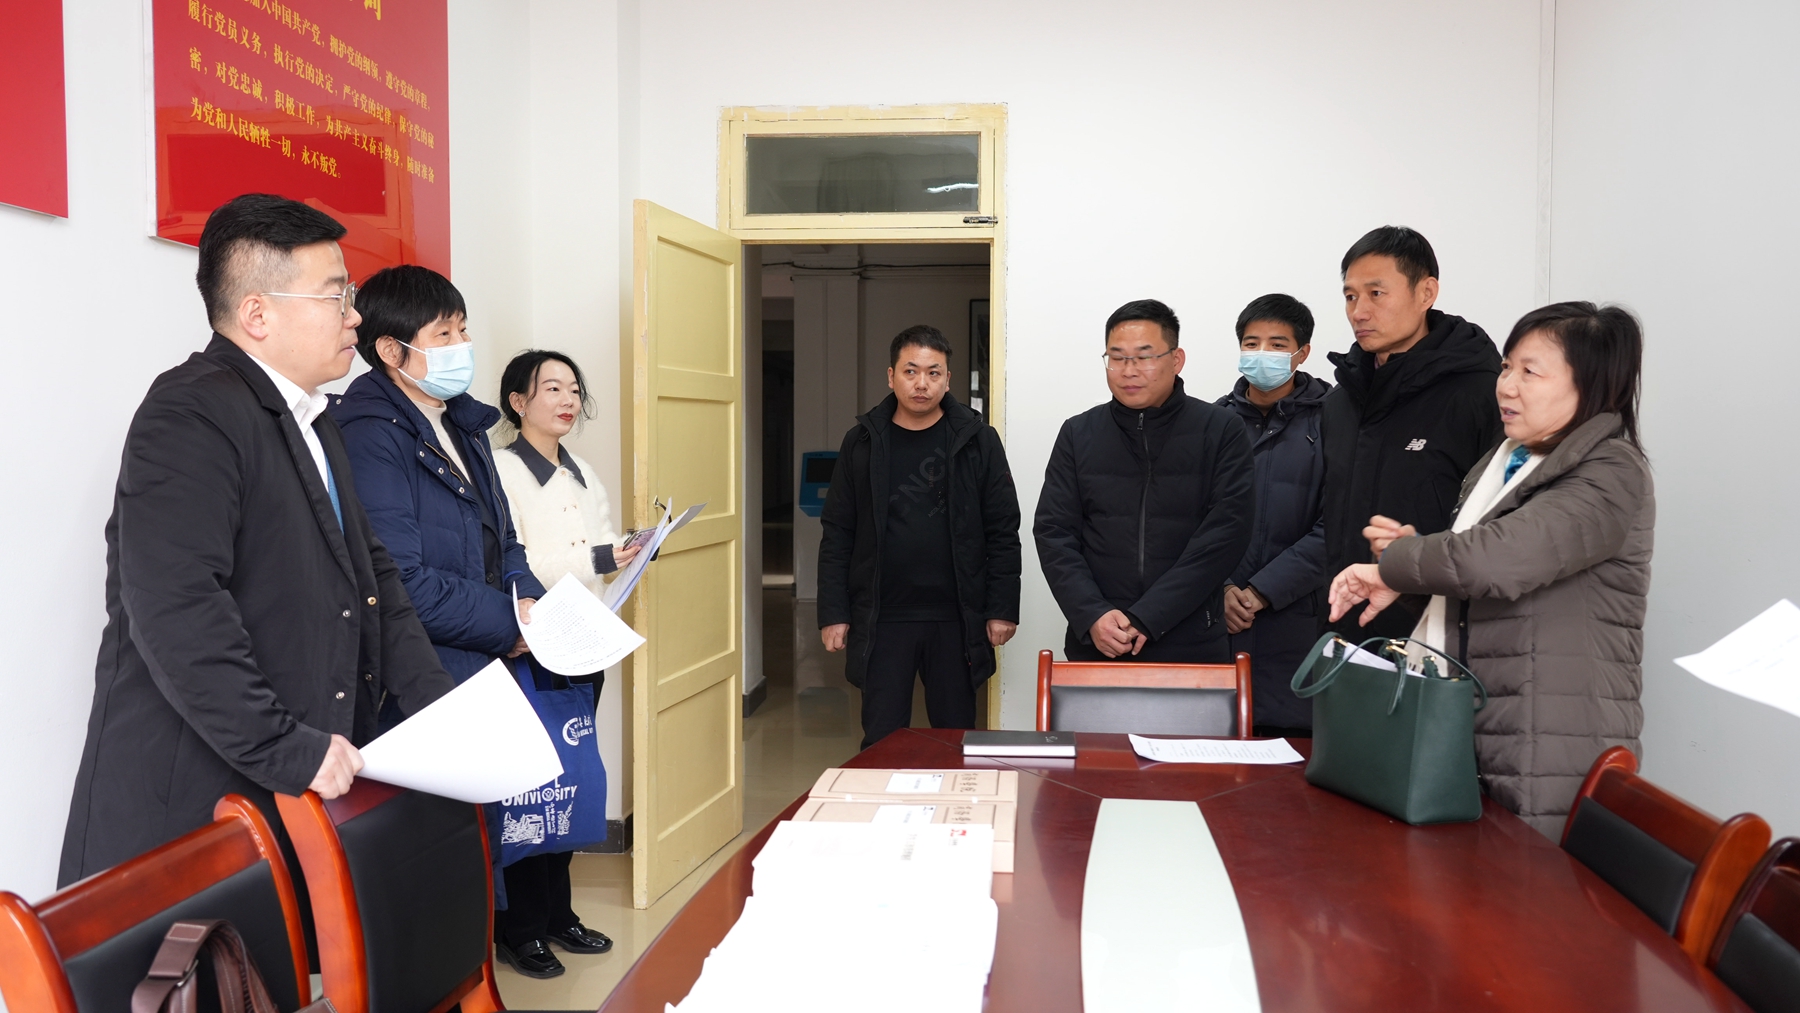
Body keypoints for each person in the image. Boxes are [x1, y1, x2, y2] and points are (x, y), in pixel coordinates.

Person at [60, 195, 453, 901]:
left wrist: (445, 715)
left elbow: (373, 581)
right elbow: (179, 608)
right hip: (191, 803)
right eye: (337, 297)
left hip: (279, 789)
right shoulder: (189, 412)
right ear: (258, 314)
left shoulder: (313, 419)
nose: (355, 318)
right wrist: (286, 746)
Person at [329, 267, 604, 979]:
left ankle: (478, 969)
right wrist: (511, 620)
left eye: (463, 329)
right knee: (436, 863)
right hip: (424, 677)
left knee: (480, 847)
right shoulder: (370, 433)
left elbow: (503, 543)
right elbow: (400, 580)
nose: (462, 345)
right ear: (392, 351)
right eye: (444, 334)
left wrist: (537, 610)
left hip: (481, 662)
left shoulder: (462, 422)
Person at [1327, 302, 1653, 837]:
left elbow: (1495, 561)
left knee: (1528, 881)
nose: (1506, 386)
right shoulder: (1505, 461)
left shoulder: (1610, 471)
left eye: (1530, 371)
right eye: (1505, 367)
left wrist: (1398, 565)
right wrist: (1408, 582)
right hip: (1479, 717)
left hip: (1547, 733)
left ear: (1591, 385)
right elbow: (1476, 590)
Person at [489, 349, 642, 967]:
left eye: (574, 389)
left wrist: (628, 551)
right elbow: (516, 561)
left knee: (571, 782)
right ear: (518, 402)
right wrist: (601, 558)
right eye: (551, 388)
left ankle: (559, 915)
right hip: (533, 647)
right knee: (533, 792)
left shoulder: (581, 472)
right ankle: (520, 927)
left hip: (583, 645)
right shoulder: (502, 470)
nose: (568, 400)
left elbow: (595, 551)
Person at [817, 325, 1022, 749]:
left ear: (948, 379)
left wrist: (1002, 608)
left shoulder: (978, 441)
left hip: (955, 617)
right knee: (882, 741)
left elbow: (1002, 529)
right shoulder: (862, 443)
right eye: (911, 371)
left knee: (956, 738)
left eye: (933, 372)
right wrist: (834, 611)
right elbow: (838, 531)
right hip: (883, 616)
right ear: (891, 376)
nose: (922, 383)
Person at [1035, 299, 1255, 665]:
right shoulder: (1078, 433)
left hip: (1191, 642)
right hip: (1099, 640)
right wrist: (1092, 614)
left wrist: (1149, 616)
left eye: (1144, 356)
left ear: (1176, 359)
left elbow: (1225, 535)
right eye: (1117, 357)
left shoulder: (1220, 430)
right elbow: (1054, 532)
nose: (1128, 370)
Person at [1321, 226, 1503, 640]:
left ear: (1426, 293)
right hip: (1343, 627)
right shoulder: (1339, 402)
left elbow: (1498, 532)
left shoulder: (1480, 395)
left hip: (1439, 636)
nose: (1359, 312)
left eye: (1376, 293)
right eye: (1350, 296)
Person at [1214, 294, 1331, 737]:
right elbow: (1189, 521)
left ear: (1302, 352)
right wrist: (1224, 587)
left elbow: (1338, 523)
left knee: (1296, 756)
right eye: (1252, 343)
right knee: (1212, 747)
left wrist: (1263, 591)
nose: (1262, 354)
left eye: (1277, 344)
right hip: (1219, 622)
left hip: (1299, 624)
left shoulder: (1336, 419)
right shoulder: (1212, 422)